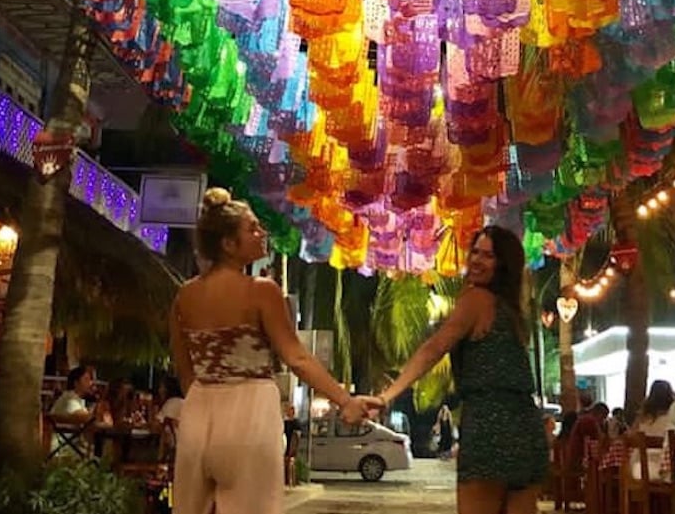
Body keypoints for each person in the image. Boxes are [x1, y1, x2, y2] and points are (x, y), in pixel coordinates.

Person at [170, 188, 371, 514]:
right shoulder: (261, 291)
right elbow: (297, 358)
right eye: (252, 228)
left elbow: (184, 369)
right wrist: (345, 399)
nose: (261, 232)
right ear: (228, 245)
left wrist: (207, 400)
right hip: (250, 415)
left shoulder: (185, 296)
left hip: (198, 413)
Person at [369, 225, 548, 514]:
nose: (476, 260)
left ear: (503, 265)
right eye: (475, 252)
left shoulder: (477, 299)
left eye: (488, 255)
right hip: (526, 428)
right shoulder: (513, 312)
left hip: (489, 424)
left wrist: (387, 395)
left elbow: (434, 348)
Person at [628, 380, 675, 481]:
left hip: (638, 467)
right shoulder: (672, 420)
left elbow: (630, 436)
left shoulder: (642, 419)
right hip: (663, 468)